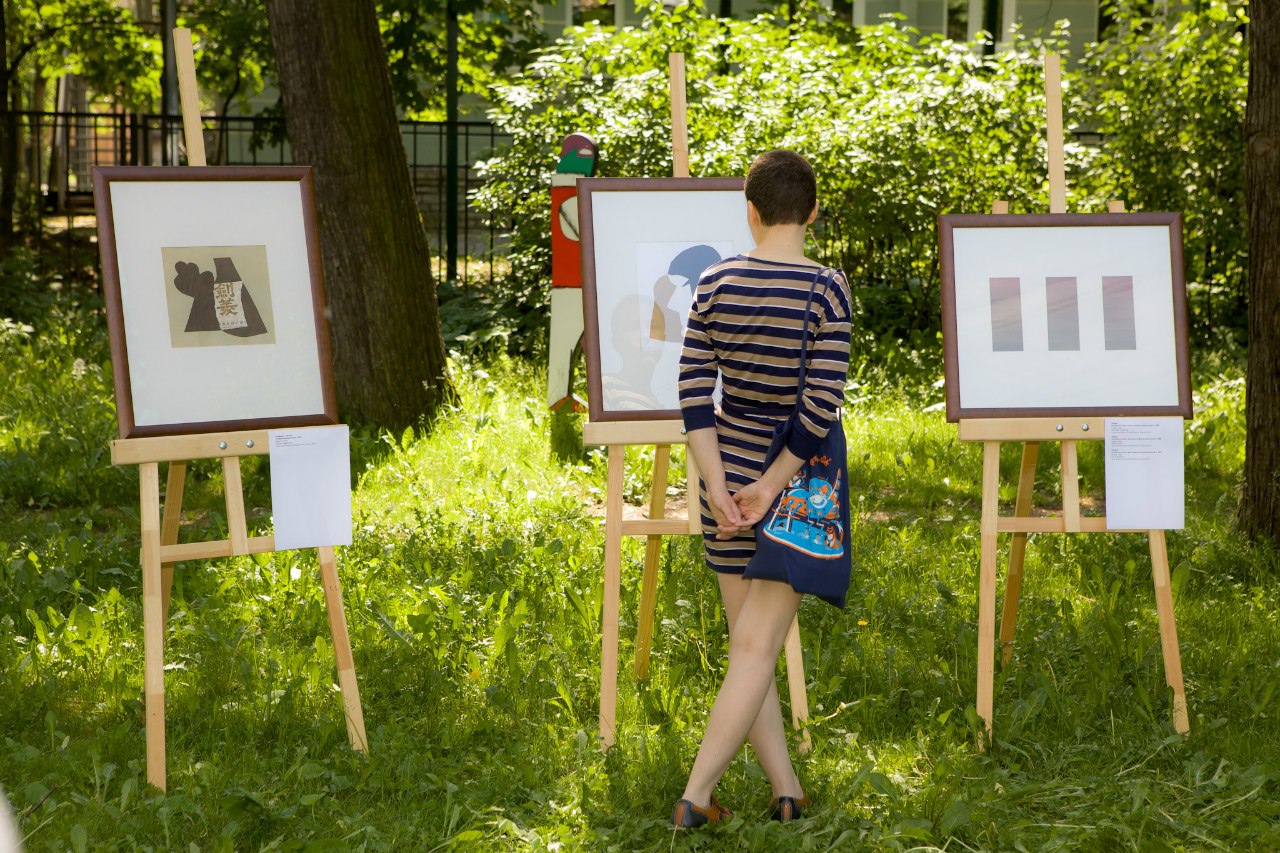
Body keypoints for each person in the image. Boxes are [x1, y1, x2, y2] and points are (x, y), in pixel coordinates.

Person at [672, 149, 851, 827]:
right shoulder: (828, 290)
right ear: (812, 210)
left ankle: (786, 788)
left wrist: (719, 483)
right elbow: (817, 409)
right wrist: (772, 489)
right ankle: (696, 794)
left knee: (750, 641)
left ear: (750, 211)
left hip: (724, 474)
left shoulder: (715, 281)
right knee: (756, 645)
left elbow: (692, 389)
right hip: (794, 484)